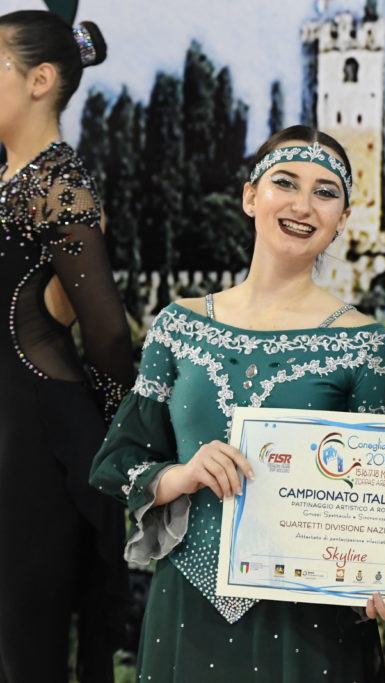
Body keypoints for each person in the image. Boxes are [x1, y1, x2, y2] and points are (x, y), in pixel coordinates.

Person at [90, 125, 385, 681]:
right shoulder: (178, 325)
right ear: (250, 196)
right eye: (286, 182)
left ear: (342, 219)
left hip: (309, 623)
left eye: (326, 192)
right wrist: (181, 475)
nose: (304, 205)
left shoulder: (365, 344)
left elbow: (375, 499)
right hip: (187, 606)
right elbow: (121, 460)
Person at [0, 11, 132, 682]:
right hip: (19, 424)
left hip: (34, 434)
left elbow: (106, 331)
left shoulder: (57, 181)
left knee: (27, 644)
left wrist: (116, 432)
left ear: (39, 80)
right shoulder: (14, 179)